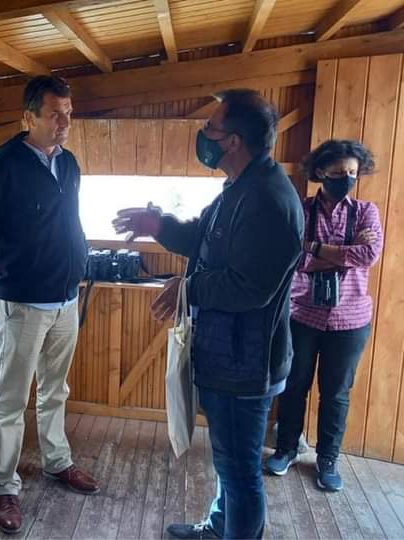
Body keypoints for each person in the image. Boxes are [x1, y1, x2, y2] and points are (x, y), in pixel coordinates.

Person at [113, 89, 304, 540]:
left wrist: (188, 286)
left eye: (211, 128)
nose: (204, 134)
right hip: (228, 353)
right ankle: (219, 528)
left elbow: (250, 287)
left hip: (247, 362)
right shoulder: (241, 187)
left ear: (234, 141)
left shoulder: (268, 199)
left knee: (240, 472)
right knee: (228, 461)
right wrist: (158, 225)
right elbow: (203, 237)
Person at [0, 75, 98, 534]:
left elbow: (70, 221)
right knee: (10, 398)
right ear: (29, 117)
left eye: (68, 113)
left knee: (55, 390)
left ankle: (57, 461)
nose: (65, 122)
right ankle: (3, 485)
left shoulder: (70, 164)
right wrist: (1, 290)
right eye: (55, 114)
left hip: (65, 298)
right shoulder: (3, 170)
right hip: (21, 302)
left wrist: (77, 265)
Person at [264, 140, 382, 491]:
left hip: (350, 320)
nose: (346, 178)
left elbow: (368, 254)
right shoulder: (300, 209)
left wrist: (314, 247)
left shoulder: (366, 211)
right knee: (293, 386)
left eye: (352, 172)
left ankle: (328, 459)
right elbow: (290, 257)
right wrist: (343, 252)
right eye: (338, 172)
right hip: (303, 315)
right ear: (320, 172)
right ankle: (286, 449)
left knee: (336, 393)